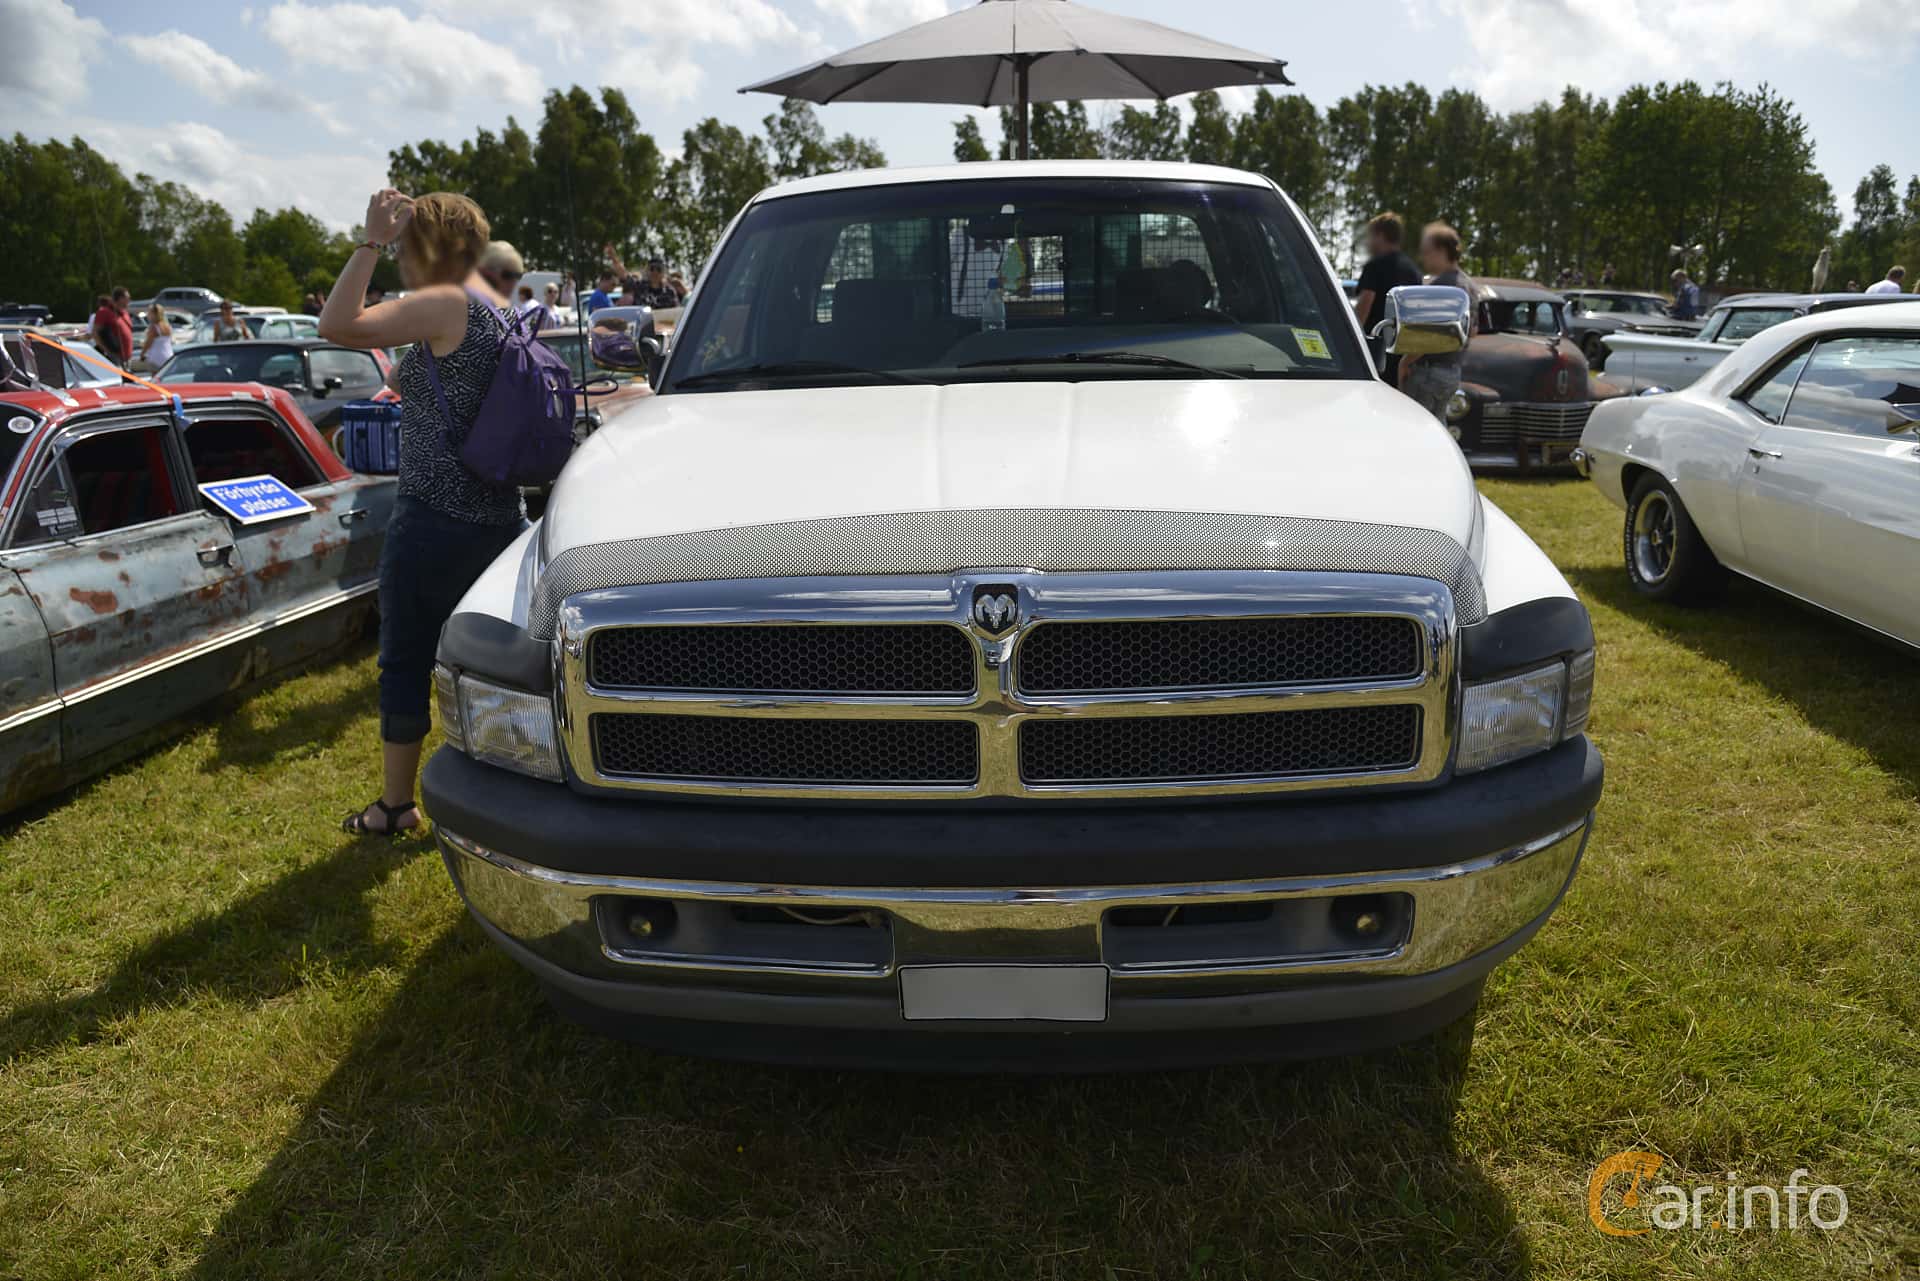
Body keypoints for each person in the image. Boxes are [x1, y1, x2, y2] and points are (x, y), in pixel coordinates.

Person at [318, 189, 525, 836]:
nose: (400, 258)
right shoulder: (491, 302)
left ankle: (395, 806)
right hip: (496, 516)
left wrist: (369, 240)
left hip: (435, 517)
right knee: (490, 663)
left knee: (405, 659)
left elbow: (336, 325)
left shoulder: (442, 300)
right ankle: (509, 786)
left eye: (406, 248)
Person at [1400, 222, 1475, 425]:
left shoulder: (1442, 287)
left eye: (1427, 252)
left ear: (1441, 251)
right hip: (1452, 371)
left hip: (1428, 372)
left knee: (1416, 428)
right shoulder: (1469, 285)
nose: (1423, 258)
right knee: (1438, 427)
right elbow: (1473, 331)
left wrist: (1405, 362)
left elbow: (1428, 337)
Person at [1352, 212, 1422, 382]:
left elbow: (1364, 307)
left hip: (1374, 355)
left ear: (1380, 236)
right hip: (1402, 355)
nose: (1368, 243)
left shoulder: (1375, 266)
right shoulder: (1413, 270)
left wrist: (1351, 339)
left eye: (1370, 237)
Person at [92, 288, 134, 366]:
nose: (129, 301)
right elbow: (95, 333)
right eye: (127, 298)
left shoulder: (124, 312)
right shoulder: (104, 312)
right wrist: (106, 350)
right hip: (114, 356)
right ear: (120, 299)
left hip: (127, 357)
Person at [139, 303, 174, 369]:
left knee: (155, 377)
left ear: (154, 314)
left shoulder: (153, 328)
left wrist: (142, 354)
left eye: (149, 313)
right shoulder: (168, 327)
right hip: (169, 356)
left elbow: (148, 344)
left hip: (156, 358)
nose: (148, 315)